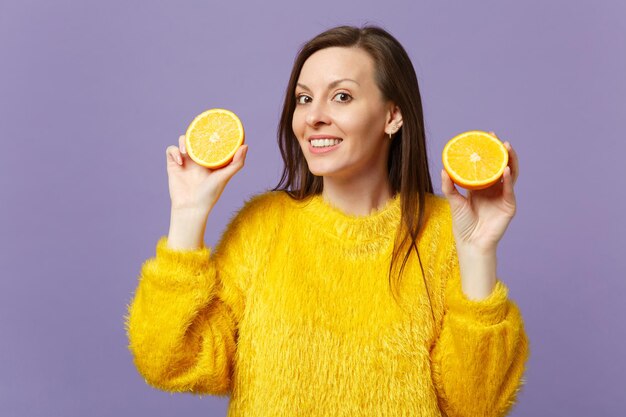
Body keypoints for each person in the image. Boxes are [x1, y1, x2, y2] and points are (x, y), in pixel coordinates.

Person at [125, 25, 529, 417]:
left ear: (392, 115)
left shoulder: (444, 232)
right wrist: (188, 213)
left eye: (341, 96)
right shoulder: (263, 227)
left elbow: (475, 405)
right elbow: (168, 360)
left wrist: (477, 252)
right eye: (303, 99)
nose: (314, 117)